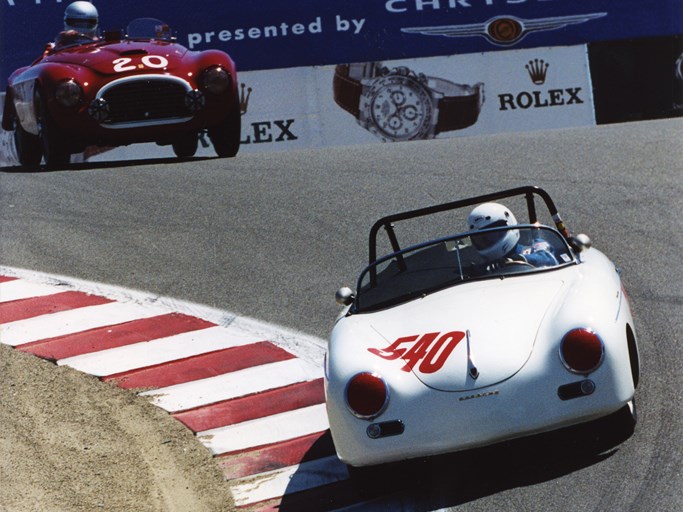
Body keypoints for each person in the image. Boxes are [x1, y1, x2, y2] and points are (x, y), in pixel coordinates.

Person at [467, 202, 558, 269]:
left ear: (508, 224)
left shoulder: (536, 248)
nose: (487, 240)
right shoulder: (484, 267)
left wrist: (520, 259)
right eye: (480, 239)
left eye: (492, 235)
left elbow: (549, 259)